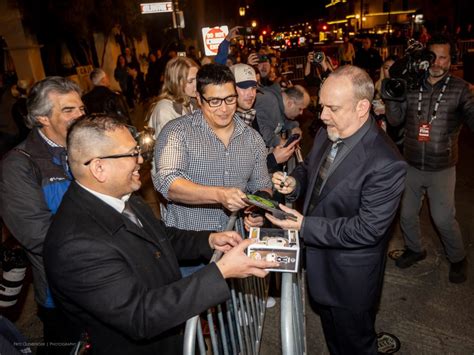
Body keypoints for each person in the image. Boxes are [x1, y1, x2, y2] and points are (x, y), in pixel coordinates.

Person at [43, 114, 277, 354]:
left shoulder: (122, 197)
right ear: (99, 167)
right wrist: (221, 271)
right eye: (132, 153)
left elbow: (161, 237)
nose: (141, 161)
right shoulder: (76, 245)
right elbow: (141, 315)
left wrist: (208, 240)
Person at [268, 65, 407, 354]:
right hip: (322, 264)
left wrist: (304, 226)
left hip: (349, 279)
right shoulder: (328, 132)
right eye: (322, 106)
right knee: (334, 340)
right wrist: (294, 182)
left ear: (362, 108)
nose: (322, 116)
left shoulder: (386, 162)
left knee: (355, 344)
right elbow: (310, 169)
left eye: (332, 108)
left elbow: (368, 229)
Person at [0, 76, 85, 354]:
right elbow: (38, 236)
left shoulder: (88, 148)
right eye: (68, 110)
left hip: (107, 283)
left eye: (80, 108)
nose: (80, 115)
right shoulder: (18, 165)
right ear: (41, 118)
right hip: (61, 296)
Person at [385, 35, 474, 283]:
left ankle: (457, 258)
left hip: (442, 167)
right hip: (412, 163)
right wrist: (393, 95)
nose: (436, 62)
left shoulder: (461, 88)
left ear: (450, 60)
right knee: (406, 214)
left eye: (443, 57)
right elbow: (395, 120)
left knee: (443, 218)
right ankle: (415, 249)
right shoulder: (412, 84)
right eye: (432, 56)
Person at [153, 63, 272, 234]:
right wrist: (219, 195)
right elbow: (167, 183)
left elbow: (262, 185)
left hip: (235, 242)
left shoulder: (252, 138)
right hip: (190, 245)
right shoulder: (177, 132)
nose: (224, 109)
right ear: (199, 99)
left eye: (230, 99)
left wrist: (258, 210)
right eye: (214, 101)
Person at [230, 63, 299, 172]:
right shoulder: (226, 123)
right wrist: (273, 159)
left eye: (253, 88)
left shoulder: (250, 115)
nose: (251, 94)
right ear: (230, 88)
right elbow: (236, 171)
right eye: (244, 87)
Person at [147, 56, 199, 138]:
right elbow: (170, 148)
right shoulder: (164, 110)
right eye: (190, 81)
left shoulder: (191, 101)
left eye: (198, 79)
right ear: (176, 82)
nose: (197, 85)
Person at [254, 84, 309, 148]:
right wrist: (283, 143)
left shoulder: (278, 102)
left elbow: (282, 120)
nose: (301, 113)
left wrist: (294, 127)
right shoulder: (268, 101)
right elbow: (262, 136)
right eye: (300, 109)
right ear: (290, 103)